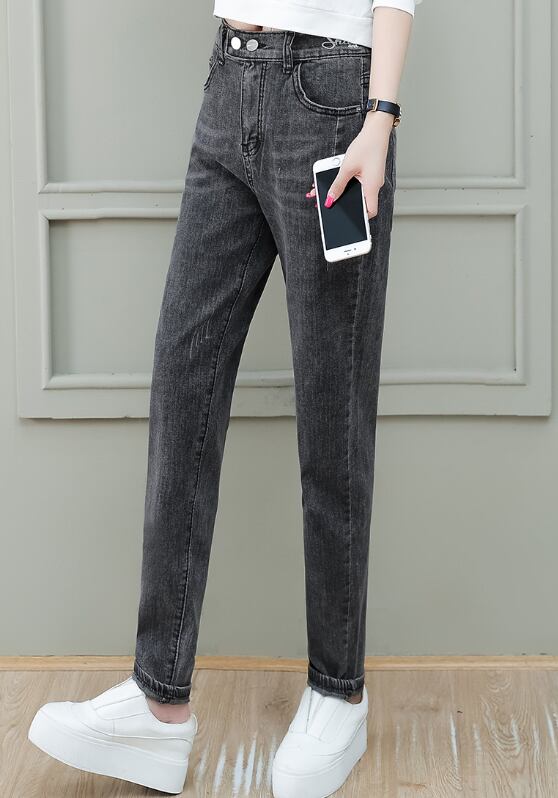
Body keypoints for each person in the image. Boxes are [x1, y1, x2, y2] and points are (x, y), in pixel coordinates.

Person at [28, 2, 419, 796]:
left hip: (332, 98)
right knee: (184, 386)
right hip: (229, 78)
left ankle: (338, 691)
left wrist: (380, 117)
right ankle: (158, 703)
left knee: (333, 413)